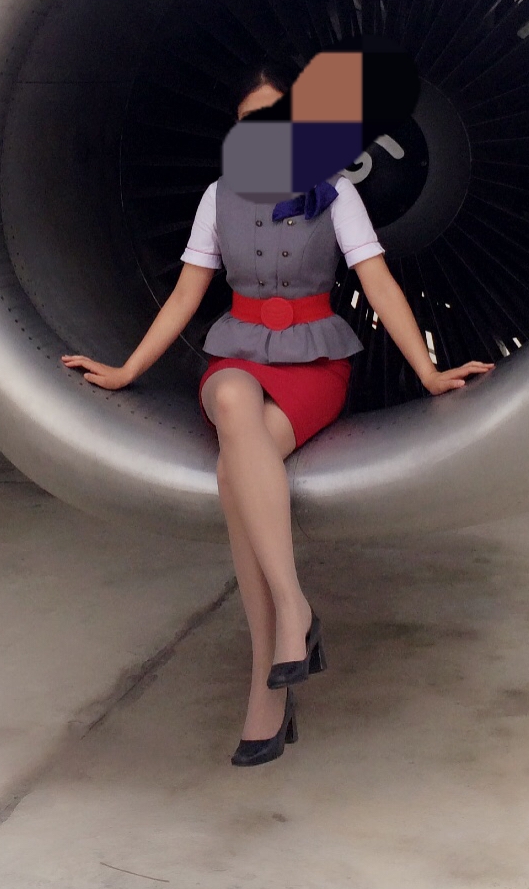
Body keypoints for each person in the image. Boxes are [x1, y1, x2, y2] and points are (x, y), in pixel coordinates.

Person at [62, 64, 492, 766]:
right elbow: (185, 296)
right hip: (237, 356)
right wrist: (127, 370)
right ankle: (294, 608)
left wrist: (428, 371)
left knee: (238, 473)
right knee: (233, 401)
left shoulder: (338, 193)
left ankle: (267, 691)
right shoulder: (218, 196)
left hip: (315, 364)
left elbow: (378, 282)